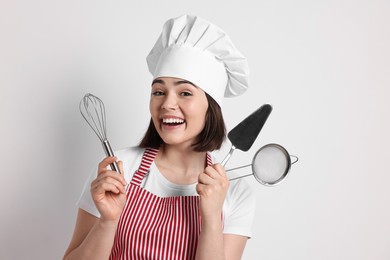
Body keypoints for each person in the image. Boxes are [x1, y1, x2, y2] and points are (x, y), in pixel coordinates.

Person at [64, 14, 255, 260]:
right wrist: (108, 222)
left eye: (185, 92)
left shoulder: (235, 192)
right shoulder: (118, 169)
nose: (167, 104)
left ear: (211, 106)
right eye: (158, 91)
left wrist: (211, 218)